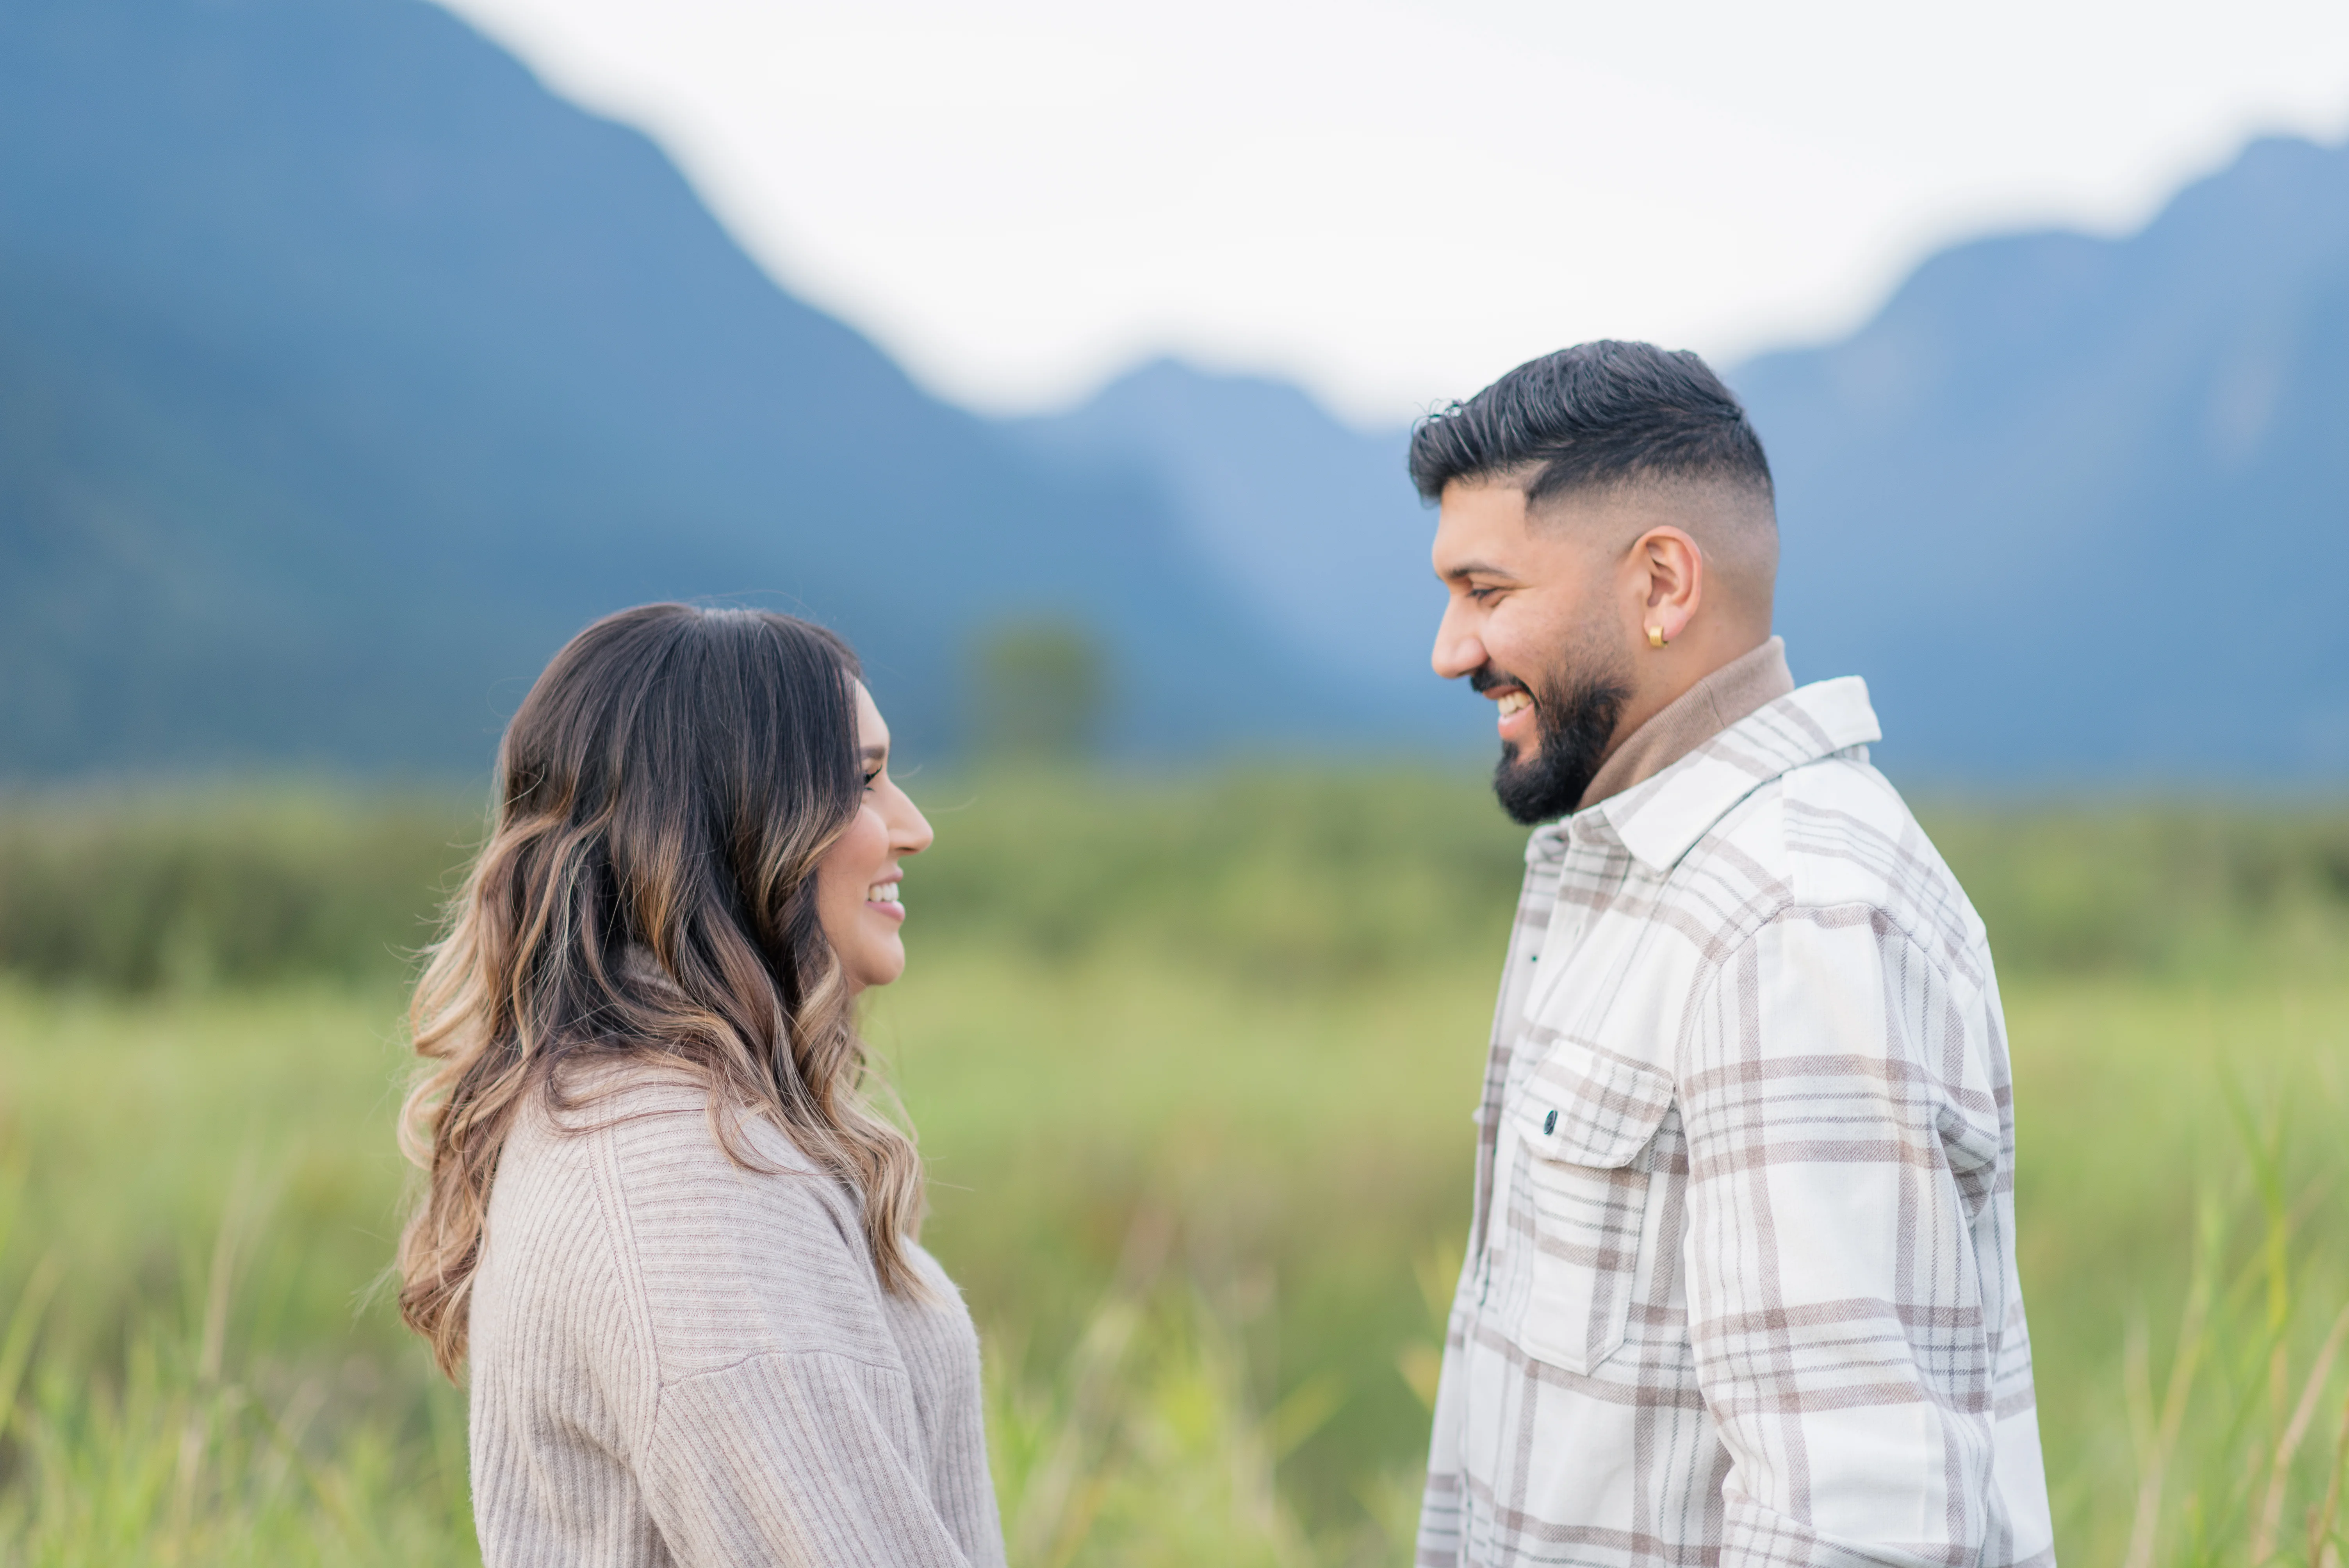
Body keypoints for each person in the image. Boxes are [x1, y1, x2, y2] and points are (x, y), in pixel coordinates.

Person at [1410, 343, 2054, 1568]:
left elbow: (1857, 1521)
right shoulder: (1661, 877)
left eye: (1485, 591)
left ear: (1662, 582)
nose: (1451, 649)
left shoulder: (1788, 916)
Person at [395, 604, 1005, 1568]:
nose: (914, 828)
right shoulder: (688, 1196)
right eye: (861, 781)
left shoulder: (640, 1124)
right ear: (733, 820)